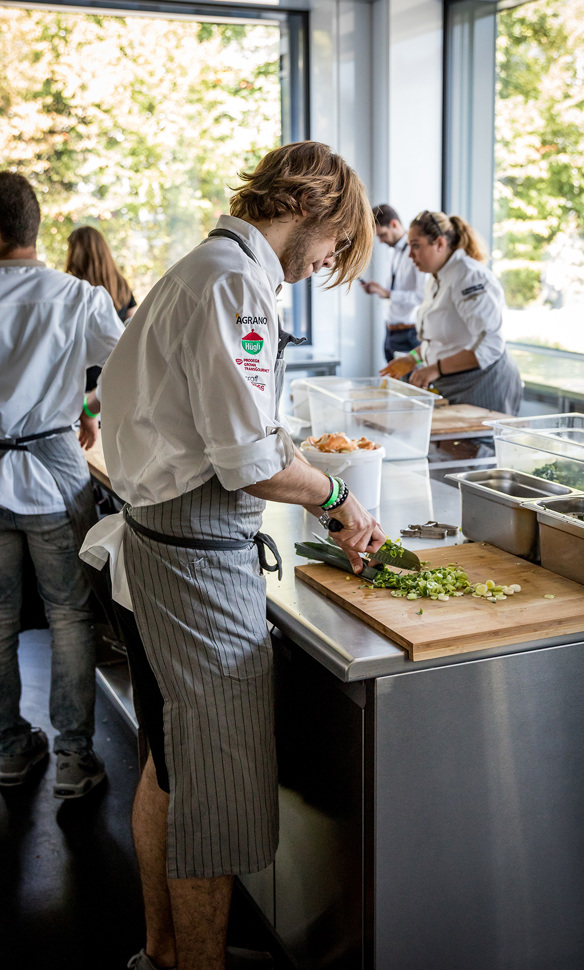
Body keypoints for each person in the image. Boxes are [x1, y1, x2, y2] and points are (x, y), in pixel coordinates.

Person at [80, 141, 386, 970]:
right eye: (331, 246)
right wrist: (335, 496)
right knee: (215, 793)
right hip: (194, 565)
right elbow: (249, 461)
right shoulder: (236, 285)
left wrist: (303, 476)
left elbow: (218, 422)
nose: (321, 262)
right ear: (314, 208)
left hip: (157, 548)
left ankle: (165, 955)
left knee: (172, 770)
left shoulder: (199, 268)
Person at [0, 172, 124, 798]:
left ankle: (7, 749)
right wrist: (87, 407)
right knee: (70, 616)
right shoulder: (77, 297)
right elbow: (129, 371)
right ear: (34, 227)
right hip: (53, 469)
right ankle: (74, 758)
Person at [380, 209, 523, 415]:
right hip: (454, 380)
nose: (410, 255)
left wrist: (434, 369)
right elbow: (445, 339)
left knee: (479, 447)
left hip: (483, 381)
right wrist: (413, 358)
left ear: (439, 243)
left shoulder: (470, 276)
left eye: (416, 246)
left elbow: (489, 345)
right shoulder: (436, 278)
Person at [65, 225, 137, 391]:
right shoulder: (121, 285)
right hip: (111, 376)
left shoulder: (73, 289)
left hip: (80, 378)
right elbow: (131, 329)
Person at [360, 204, 425, 362]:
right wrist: (380, 291)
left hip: (409, 333)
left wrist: (388, 294)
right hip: (390, 331)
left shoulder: (416, 252)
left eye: (382, 234)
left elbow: (421, 296)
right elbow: (394, 291)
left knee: (409, 384)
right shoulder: (393, 252)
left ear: (394, 224)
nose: (381, 241)